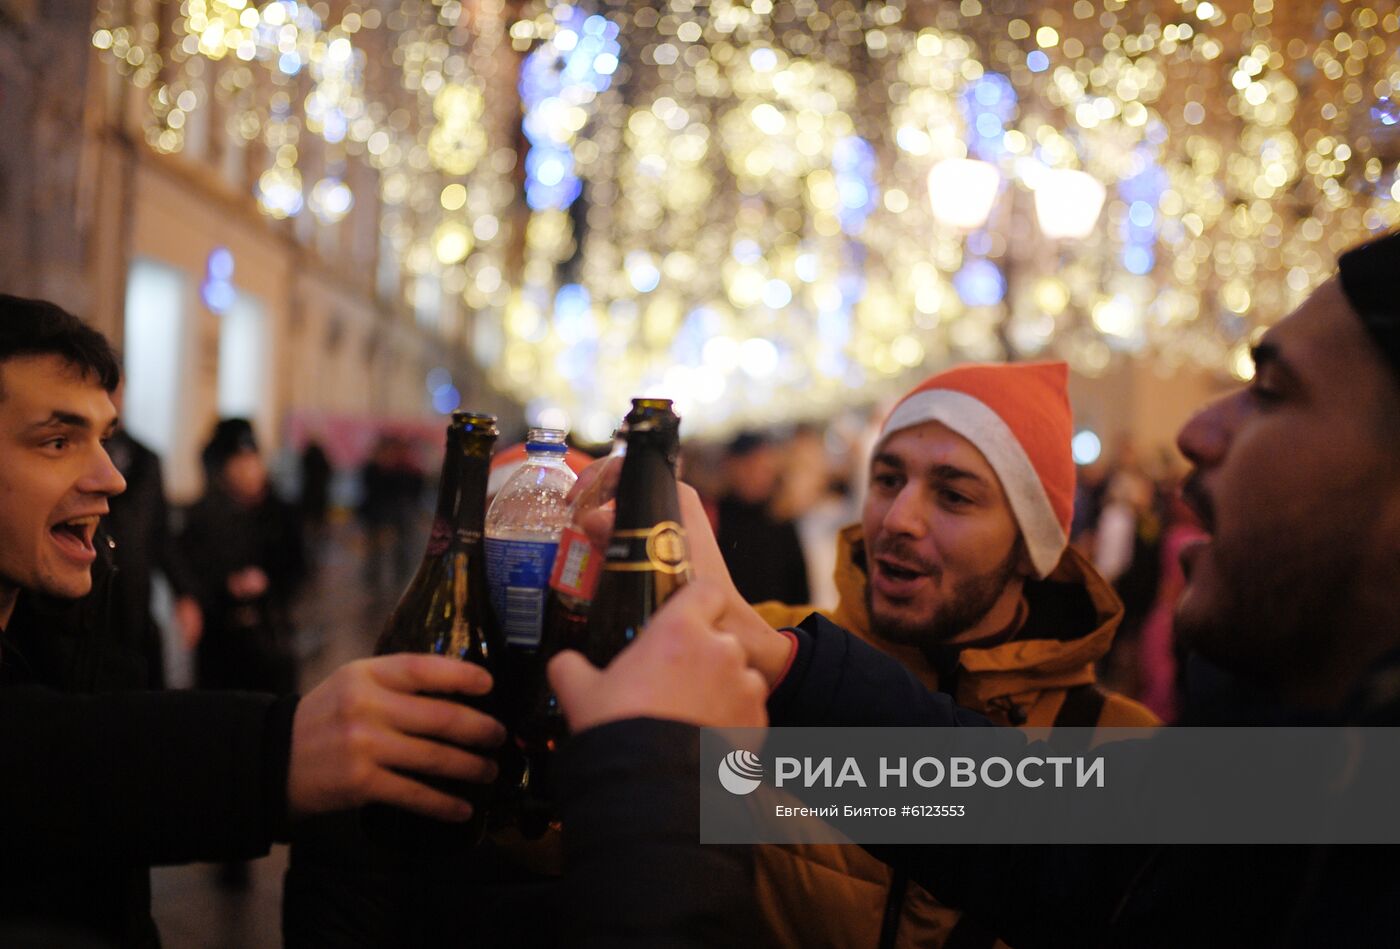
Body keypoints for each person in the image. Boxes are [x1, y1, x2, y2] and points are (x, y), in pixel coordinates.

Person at [544, 229, 1400, 946]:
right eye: (887, 478)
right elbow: (1039, 830)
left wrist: (652, 798)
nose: (1198, 427)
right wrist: (764, 652)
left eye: (1275, 392)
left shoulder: (1146, 745)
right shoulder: (1314, 777)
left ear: (1035, 545)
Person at [0, 296, 506, 947]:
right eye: (58, 440)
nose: (109, 477)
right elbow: (55, 756)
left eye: (104, 437)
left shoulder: (69, 629)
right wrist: (282, 749)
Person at [750, 362, 1156, 948]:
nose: (897, 519)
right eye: (888, 479)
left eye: (954, 496)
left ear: (1030, 546)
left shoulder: (1119, 744)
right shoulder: (771, 653)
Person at [103, 378, 202, 689]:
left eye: (116, 389)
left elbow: (159, 535)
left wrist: (184, 593)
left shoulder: (146, 459)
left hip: (135, 607)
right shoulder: (76, 456)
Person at [715, 431, 811, 605]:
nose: (760, 477)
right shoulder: (716, 517)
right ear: (732, 466)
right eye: (751, 468)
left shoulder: (780, 518)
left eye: (765, 469)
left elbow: (799, 583)